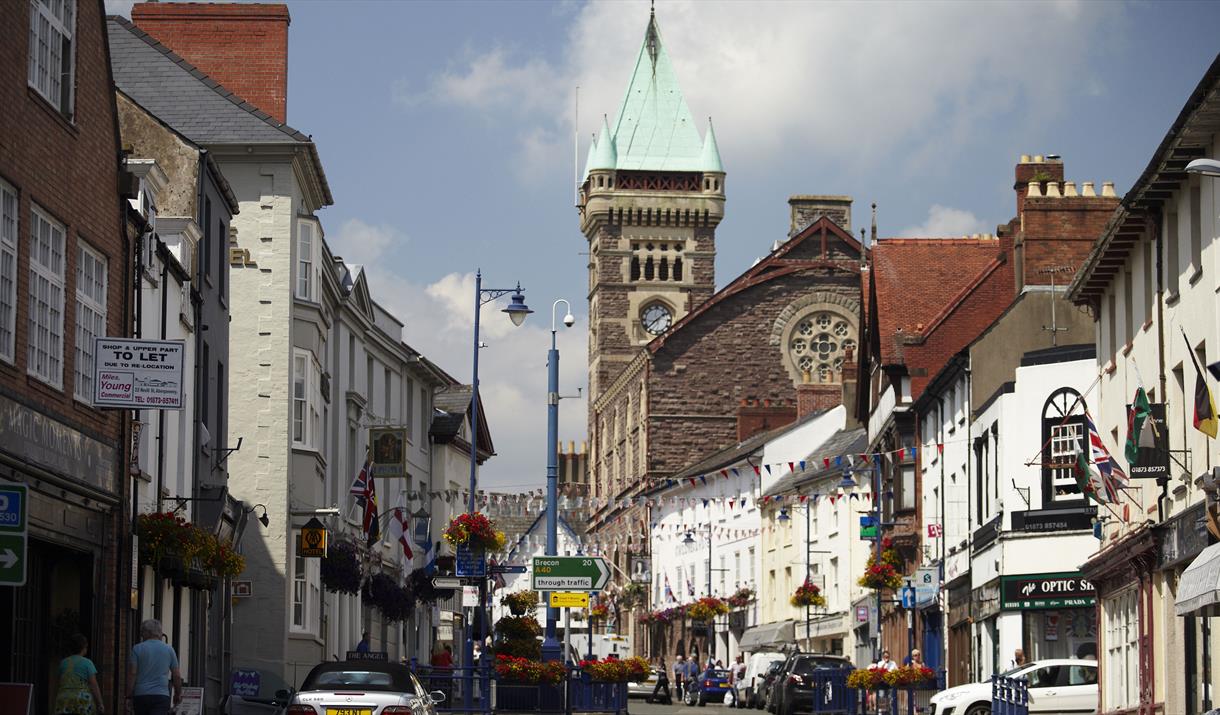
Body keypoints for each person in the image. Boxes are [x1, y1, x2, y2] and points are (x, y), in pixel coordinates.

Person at [127, 619, 182, 715]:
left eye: (142, 633)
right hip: (161, 696)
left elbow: (132, 673)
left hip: (141, 695)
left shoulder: (137, 648)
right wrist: (178, 694)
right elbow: (176, 675)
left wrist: (128, 695)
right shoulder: (169, 649)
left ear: (147, 632)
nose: (141, 635)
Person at [52, 634, 104, 715]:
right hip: (81, 700)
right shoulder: (87, 663)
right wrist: (100, 703)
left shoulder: (63, 663)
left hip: (64, 699)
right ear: (84, 647)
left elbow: (57, 684)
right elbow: (94, 685)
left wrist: (54, 700)